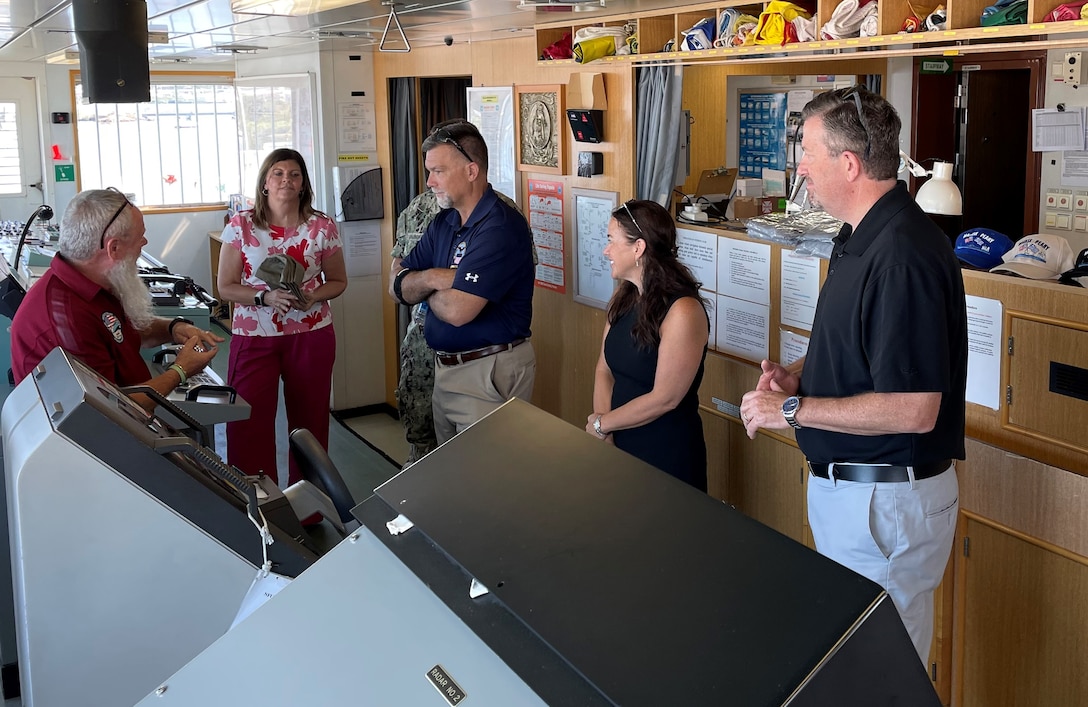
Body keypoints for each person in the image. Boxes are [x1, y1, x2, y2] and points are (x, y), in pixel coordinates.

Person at [738, 86, 967, 664]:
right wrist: (798, 378)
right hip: (857, 497)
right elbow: (862, 352)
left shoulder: (903, 255)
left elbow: (915, 407)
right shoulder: (859, 238)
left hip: (885, 506)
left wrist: (791, 411)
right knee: (850, 670)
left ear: (849, 163)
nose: (799, 169)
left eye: (807, 154)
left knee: (881, 676)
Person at [391, 121, 535, 444]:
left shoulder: (500, 226)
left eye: (438, 171)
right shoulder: (445, 221)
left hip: (486, 370)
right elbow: (396, 285)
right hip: (446, 370)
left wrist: (421, 289)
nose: (429, 182)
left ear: (472, 171)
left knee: (485, 484)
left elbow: (458, 310)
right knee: (454, 483)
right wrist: (434, 277)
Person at [10, 188, 221, 405]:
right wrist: (181, 370)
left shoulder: (93, 283)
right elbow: (112, 409)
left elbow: (120, 331)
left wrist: (174, 328)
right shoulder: (67, 318)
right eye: (141, 236)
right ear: (114, 248)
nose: (144, 243)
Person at [217, 148, 347, 485]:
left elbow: (338, 281)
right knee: (248, 421)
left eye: (294, 175)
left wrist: (313, 296)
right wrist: (264, 296)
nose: (286, 180)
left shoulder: (322, 226)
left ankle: (310, 503)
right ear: (264, 182)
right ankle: (258, 502)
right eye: (278, 173)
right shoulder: (240, 225)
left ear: (303, 184)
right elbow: (226, 287)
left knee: (310, 423)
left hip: (311, 335)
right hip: (254, 337)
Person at [585, 199, 710, 491]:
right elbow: (604, 370)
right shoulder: (624, 297)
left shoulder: (683, 311)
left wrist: (603, 424)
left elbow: (665, 397)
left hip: (665, 452)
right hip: (617, 438)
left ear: (638, 248)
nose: (606, 250)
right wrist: (606, 432)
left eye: (611, 241)